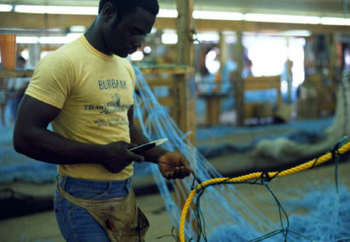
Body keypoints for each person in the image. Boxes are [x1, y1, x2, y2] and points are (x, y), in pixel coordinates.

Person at [13, 0, 192, 241]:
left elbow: (124, 128)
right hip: (82, 197)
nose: (139, 43)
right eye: (134, 31)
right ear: (108, 12)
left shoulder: (125, 68)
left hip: (123, 194)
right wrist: (101, 154)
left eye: (144, 34)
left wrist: (159, 156)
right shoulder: (63, 63)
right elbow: (25, 136)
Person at [7, 56, 31, 123]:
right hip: (14, 92)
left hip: (21, 93)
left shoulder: (27, 69)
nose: (18, 63)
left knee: (20, 111)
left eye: (19, 62)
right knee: (13, 110)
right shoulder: (16, 69)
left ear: (23, 62)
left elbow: (26, 85)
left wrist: (15, 94)